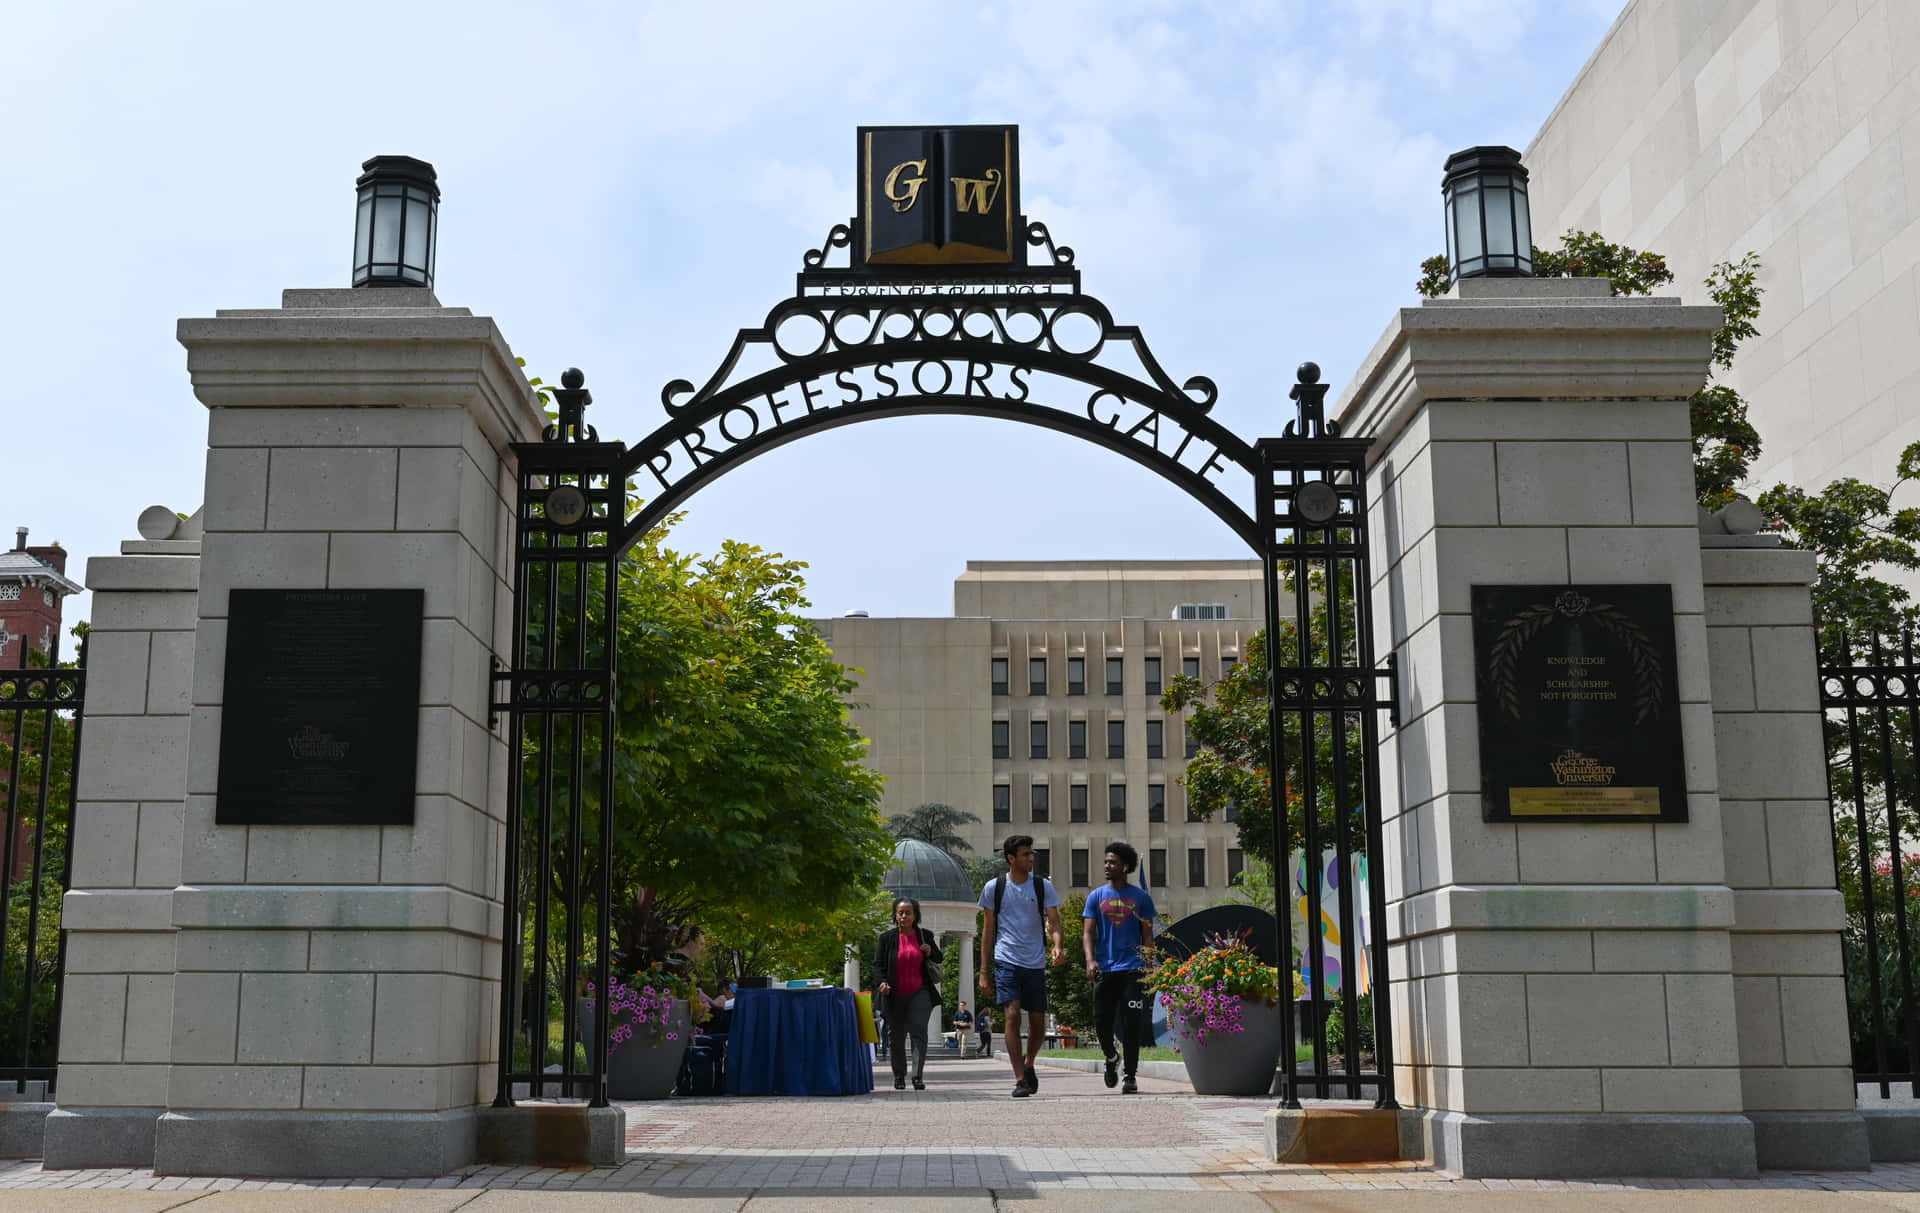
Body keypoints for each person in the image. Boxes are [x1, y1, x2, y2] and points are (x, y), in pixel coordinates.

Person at [978, 834, 1065, 1098]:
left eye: (1032, 853)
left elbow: (1055, 922)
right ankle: (1019, 1079)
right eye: (1026, 854)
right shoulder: (995, 887)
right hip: (1006, 959)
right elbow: (988, 930)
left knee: (1038, 1021)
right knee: (1012, 1015)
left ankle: (1029, 1064)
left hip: (1035, 961)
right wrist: (983, 972)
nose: (1032, 858)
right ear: (1011, 858)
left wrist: (1058, 945)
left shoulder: (1042, 887)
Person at [1082, 841, 1157, 1094]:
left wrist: (1148, 969)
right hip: (1105, 968)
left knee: (1131, 1023)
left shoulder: (1141, 898)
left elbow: (1148, 936)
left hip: (1133, 969)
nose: (1107, 866)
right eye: (1106, 862)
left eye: (1112, 862)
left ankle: (1130, 1076)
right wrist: (1090, 960)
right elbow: (1088, 932)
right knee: (1101, 1021)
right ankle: (1112, 1057)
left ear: (1125, 866)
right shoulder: (1096, 896)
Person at [874, 896, 943, 1090]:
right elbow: (878, 965)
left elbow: (939, 958)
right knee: (896, 1036)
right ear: (895, 916)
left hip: (920, 992)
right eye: (900, 912)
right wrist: (882, 982)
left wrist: (930, 951)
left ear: (915, 916)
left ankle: (917, 1076)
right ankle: (899, 1076)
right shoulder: (886, 938)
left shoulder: (925, 935)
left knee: (919, 1033)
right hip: (894, 995)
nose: (904, 916)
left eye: (908, 912)